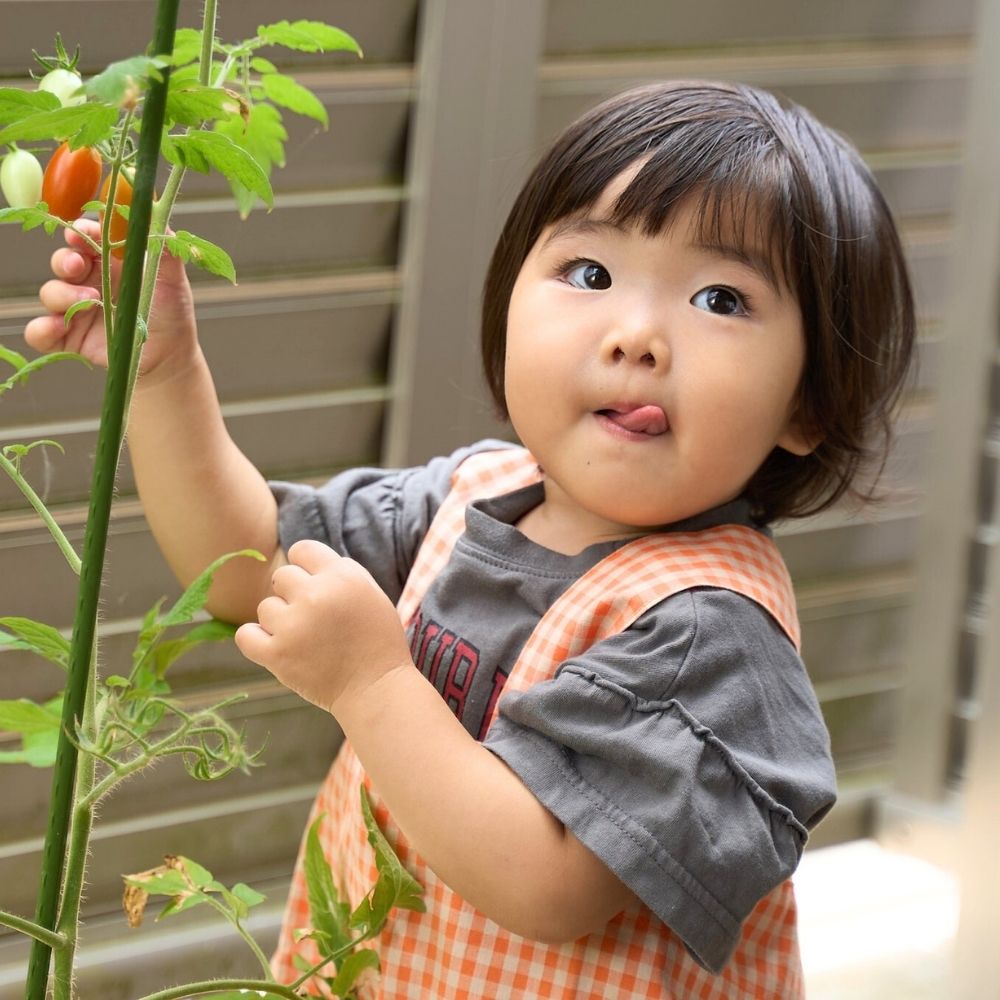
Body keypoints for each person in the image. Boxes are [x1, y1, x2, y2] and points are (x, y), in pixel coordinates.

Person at [27, 80, 914, 998]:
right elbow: (246, 567)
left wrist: (371, 683)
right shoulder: (469, 493)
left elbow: (546, 881)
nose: (637, 335)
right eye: (592, 274)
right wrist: (166, 371)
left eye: (721, 298)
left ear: (808, 403)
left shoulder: (709, 631)